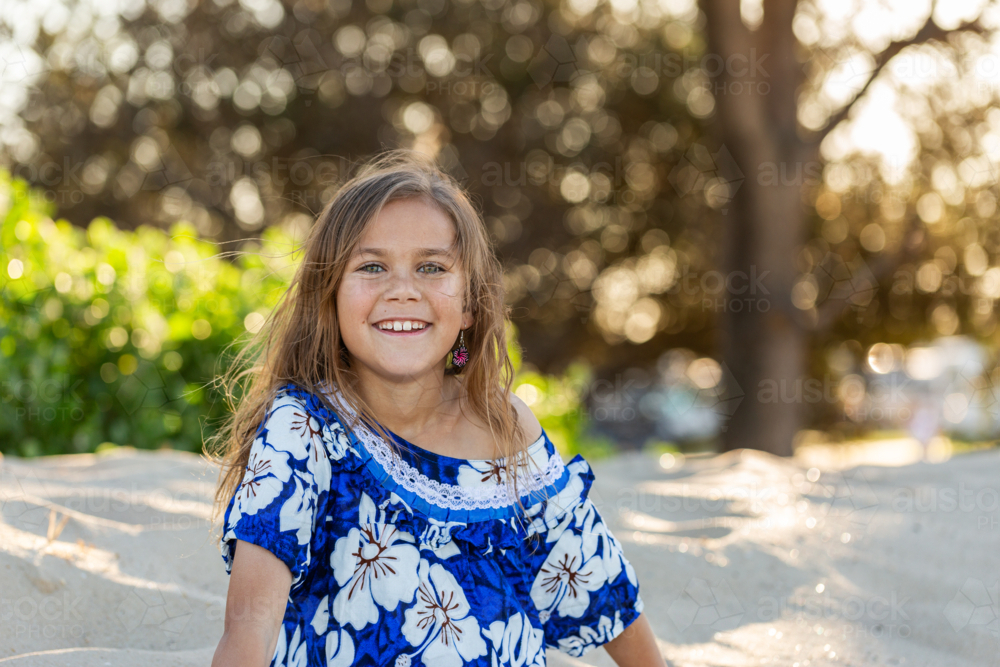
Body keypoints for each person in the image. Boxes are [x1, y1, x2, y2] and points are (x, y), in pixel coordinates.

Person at [207, 149, 662, 667]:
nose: (403, 290)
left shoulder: (506, 428)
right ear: (329, 296)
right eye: (372, 266)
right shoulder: (304, 429)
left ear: (469, 303)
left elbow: (602, 593)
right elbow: (249, 626)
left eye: (431, 267)